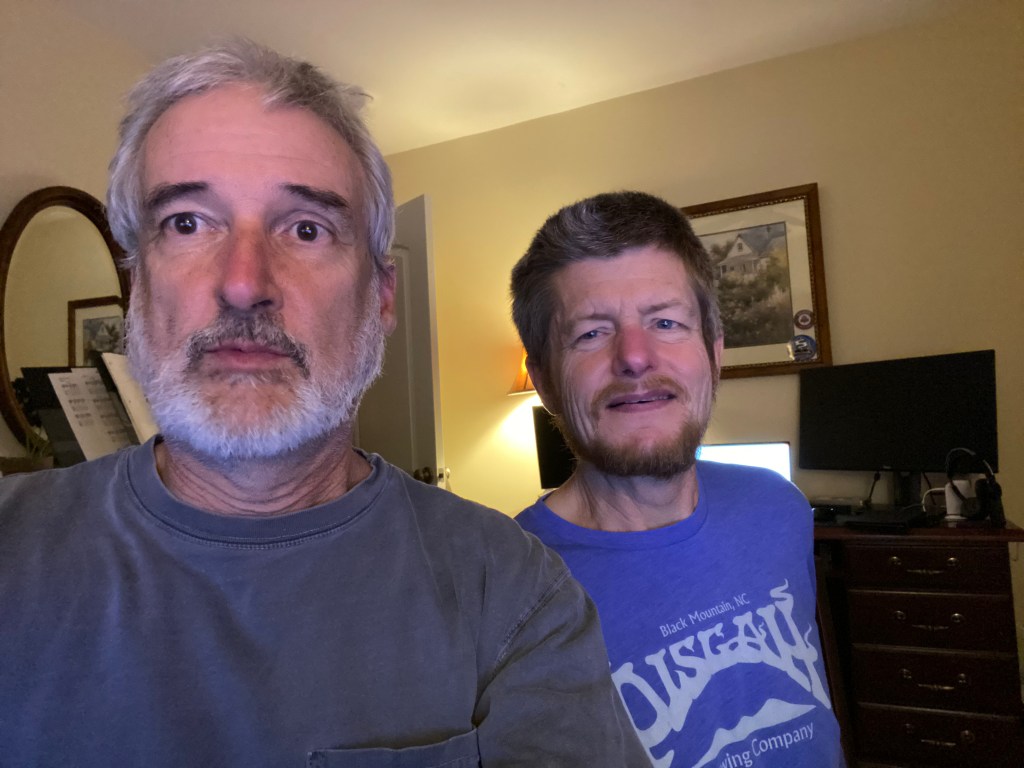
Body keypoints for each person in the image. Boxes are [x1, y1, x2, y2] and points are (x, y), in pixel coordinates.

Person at [0, 41, 648, 767]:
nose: (243, 284)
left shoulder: (514, 591)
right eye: (187, 222)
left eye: (306, 229)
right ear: (137, 283)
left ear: (382, 296)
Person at [511, 191, 845, 767]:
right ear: (543, 380)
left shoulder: (779, 508)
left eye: (665, 322)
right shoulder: (508, 588)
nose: (635, 357)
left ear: (714, 353)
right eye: (590, 333)